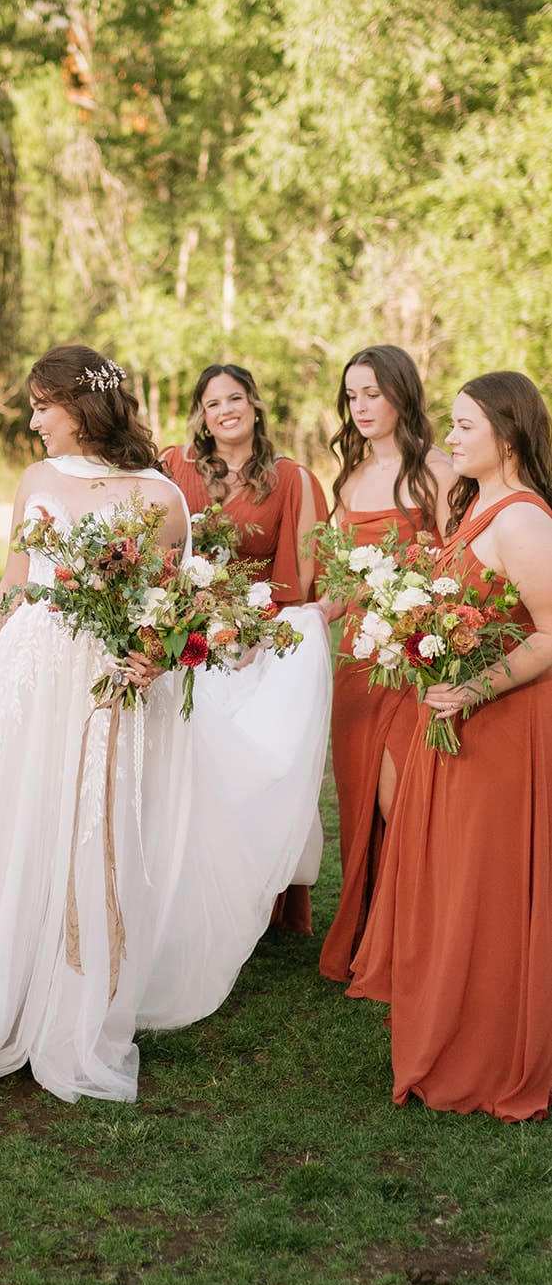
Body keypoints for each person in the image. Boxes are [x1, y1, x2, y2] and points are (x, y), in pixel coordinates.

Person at [0, 345, 331, 1104]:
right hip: (27, 677)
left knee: (91, 835)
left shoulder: (159, 496)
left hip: (109, 687)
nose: (33, 421)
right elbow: (12, 584)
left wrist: (154, 663)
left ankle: (70, 1011)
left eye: (43, 405)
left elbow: (172, 611)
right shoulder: (36, 480)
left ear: (81, 407)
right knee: (7, 828)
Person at [348, 371, 552, 1119]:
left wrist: (472, 688)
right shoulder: (478, 506)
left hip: (502, 726)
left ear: (507, 432)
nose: (450, 437)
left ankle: (493, 1048)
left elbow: (549, 635)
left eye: (464, 425)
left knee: (485, 886)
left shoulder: (525, 520)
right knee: (459, 882)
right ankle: (459, 1025)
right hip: (462, 719)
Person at [160, 362, 329, 933]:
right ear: (201, 416)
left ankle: (249, 901)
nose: (226, 410)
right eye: (213, 403)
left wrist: (255, 632)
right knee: (184, 772)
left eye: (236, 398)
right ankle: (182, 897)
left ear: (255, 404)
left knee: (249, 773)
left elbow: (303, 576)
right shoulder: (173, 467)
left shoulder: (292, 479)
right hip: (184, 639)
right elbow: (153, 551)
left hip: (252, 646)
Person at [318, 346, 454, 983]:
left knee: (407, 799)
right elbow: (344, 581)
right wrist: (311, 614)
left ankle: (422, 943)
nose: (362, 406)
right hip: (358, 666)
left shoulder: (440, 473)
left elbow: (456, 571)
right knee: (360, 798)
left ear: (402, 394)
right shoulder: (347, 480)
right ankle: (371, 928)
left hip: (413, 659)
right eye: (352, 395)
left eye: (373, 392)